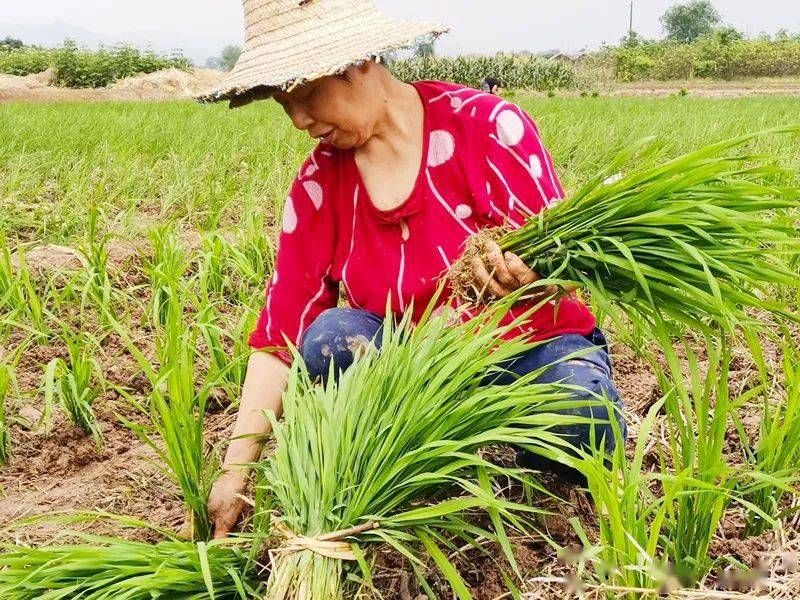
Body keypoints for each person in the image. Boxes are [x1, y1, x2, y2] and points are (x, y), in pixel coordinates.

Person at [198, 0, 626, 539]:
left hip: (525, 352)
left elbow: (570, 263)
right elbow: (281, 334)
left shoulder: (488, 128)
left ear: (357, 62)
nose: (299, 120)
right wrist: (235, 471)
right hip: (413, 376)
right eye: (285, 105)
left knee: (581, 412)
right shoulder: (320, 184)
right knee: (330, 339)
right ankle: (423, 456)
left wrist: (531, 275)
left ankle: (533, 467)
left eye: (305, 95)